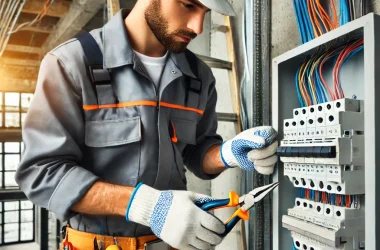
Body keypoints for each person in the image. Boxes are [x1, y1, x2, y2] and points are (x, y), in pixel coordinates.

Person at [15, 0, 278, 249]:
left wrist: (226, 153)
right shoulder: (71, 63)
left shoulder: (199, 77)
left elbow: (196, 152)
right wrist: (149, 206)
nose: (197, 27)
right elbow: (41, 173)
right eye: (188, 6)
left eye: (205, 13)